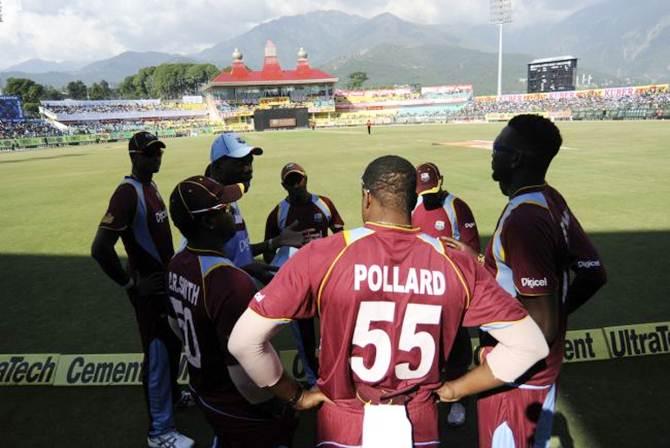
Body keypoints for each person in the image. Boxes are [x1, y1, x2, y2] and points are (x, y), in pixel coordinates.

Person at [228, 155, 549, 448]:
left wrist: (295, 396)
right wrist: (455, 389)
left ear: (367, 197)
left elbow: (244, 342)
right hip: (419, 424)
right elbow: (530, 346)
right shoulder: (455, 263)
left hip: (343, 426)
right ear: (412, 200)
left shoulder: (323, 255)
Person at [446, 114, 607, 447]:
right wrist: (478, 259)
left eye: (497, 146)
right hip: (537, 375)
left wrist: (473, 375)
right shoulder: (548, 199)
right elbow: (593, 272)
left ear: (516, 157)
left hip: (515, 382)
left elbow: (542, 328)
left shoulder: (524, 220)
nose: (492, 153)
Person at [167, 175, 297, 448]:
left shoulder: (177, 263)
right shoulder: (228, 280)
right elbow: (242, 367)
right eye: (225, 209)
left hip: (204, 389)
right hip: (237, 402)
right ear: (209, 221)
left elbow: (174, 324)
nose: (233, 214)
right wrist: (279, 403)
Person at [91, 131, 194, 448]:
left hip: (164, 287)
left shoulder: (150, 186)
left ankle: (173, 395)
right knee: (158, 354)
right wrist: (129, 282)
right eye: (150, 153)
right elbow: (100, 248)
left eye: (158, 152)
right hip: (149, 291)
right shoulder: (127, 193)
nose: (156, 157)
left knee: (172, 345)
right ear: (135, 156)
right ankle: (160, 432)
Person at [411, 161, 480, 427]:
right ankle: (422, 397)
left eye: (432, 191)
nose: (428, 198)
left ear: (442, 180)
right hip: (419, 288)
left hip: (451, 289)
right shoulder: (413, 205)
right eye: (423, 193)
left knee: (456, 348)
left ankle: (458, 401)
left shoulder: (456, 206)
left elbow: (471, 251)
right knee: (422, 346)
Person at [263, 162, 345, 386]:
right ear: (283, 185)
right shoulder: (279, 212)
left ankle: (338, 373)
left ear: (306, 179)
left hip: (327, 279)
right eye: (290, 181)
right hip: (298, 286)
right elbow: (269, 251)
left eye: (298, 179)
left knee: (334, 328)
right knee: (304, 334)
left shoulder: (324, 204)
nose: (296, 185)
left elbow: (340, 236)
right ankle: (312, 380)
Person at [207, 132, 314, 285]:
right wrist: (247, 269)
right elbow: (208, 268)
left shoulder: (229, 198)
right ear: (217, 167)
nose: (248, 169)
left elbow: (237, 252)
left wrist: (276, 242)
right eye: (240, 164)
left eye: (250, 162)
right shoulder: (209, 207)